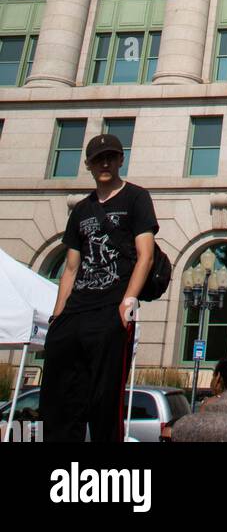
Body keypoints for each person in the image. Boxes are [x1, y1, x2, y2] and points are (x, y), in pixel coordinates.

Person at [40, 133, 159, 443]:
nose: (105, 162)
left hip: (111, 310)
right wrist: (57, 318)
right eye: (98, 158)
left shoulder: (136, 198)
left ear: (121, 160)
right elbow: (70, 268)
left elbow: (145, 255)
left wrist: (128, 301)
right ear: (88, 165)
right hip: (74, 313)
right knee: (60, 402)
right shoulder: (81, 210)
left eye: (111, 156)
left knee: (104, 400)